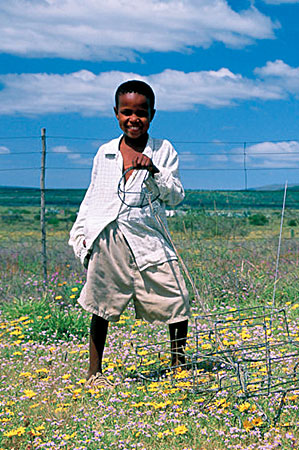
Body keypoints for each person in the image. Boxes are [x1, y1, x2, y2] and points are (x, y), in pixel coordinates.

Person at [69, 80, 190, 386]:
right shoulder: (105, 152)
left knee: (177, 295)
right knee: (101, 302)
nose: (134, 119)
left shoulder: (163, 150)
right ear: (116, 113)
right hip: (107, 234)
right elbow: (93, 196)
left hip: (146, 235)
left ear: (152, 114)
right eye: (127, 112)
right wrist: (81, 235)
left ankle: (178, 364)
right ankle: (94, 372)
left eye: (141, 113)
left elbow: (175, 195)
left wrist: (153, 171)